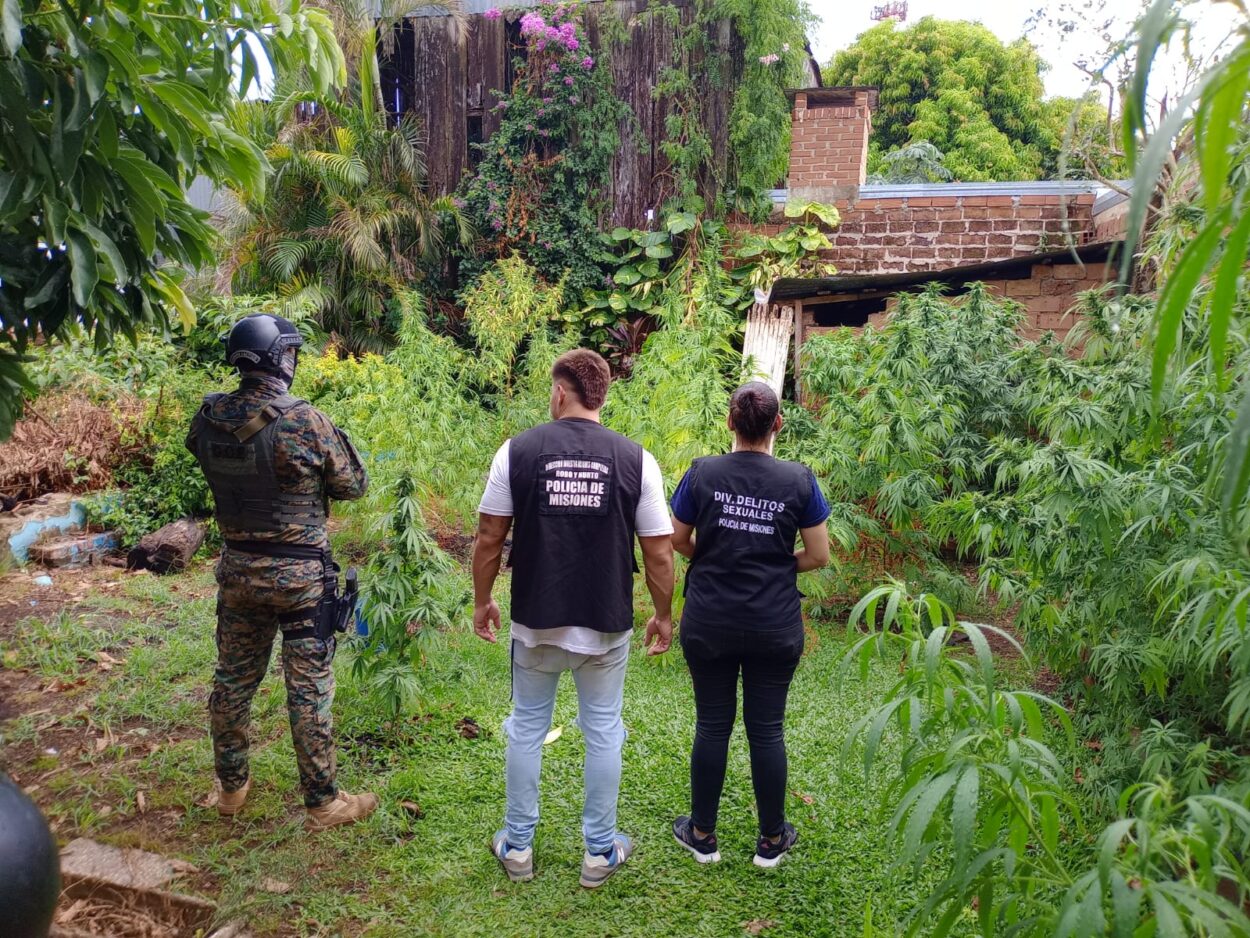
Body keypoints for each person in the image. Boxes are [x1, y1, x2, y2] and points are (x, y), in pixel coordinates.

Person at [472, 348, 675, 888]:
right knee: (604, 730)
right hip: (606, 624)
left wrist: (482, 600)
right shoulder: (637, 459)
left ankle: (517, 846)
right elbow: (659, 551)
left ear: (560, 392)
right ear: (601, 396)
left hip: (535, 622)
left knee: (527, 728)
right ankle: (599, 853)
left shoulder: (517, 451)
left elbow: (490, 537)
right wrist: (662, 615)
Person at [186, 313, 376, 832]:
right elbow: (353, 484)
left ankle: (230, 788)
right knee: (308, 687)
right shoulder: (303, 420)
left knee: (232, 681)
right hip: (299, 581)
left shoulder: (207, 416)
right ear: (280, 358)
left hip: (239, 573)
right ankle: (323, 802)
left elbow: (203, 455)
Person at [668, 381, 830, 868]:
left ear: (730, 422)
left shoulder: (701, 473)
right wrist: (776, 565)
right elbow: (819, 555)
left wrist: (716, 557)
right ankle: (771, 840)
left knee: (712, 725)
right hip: (773, 624)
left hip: (709, 620)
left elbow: (676, 540)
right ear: (778, 423)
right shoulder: (800, 480)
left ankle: (701, 833)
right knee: (767, 730)